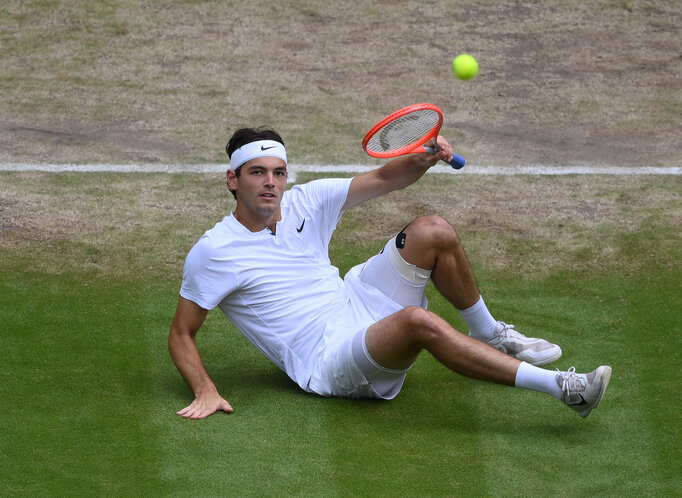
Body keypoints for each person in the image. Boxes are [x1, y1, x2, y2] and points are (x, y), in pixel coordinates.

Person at [168, 126, 612, 420]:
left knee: (432, 231)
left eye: (278, 173)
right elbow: (182, 333)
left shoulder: (307, 200)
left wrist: (422, 159)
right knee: (417, 322)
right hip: (329, 359)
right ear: (232, 179)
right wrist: (205, 389)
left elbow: (384, 179)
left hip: (355, 301)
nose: (270, 183)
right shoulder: (215, 251)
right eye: (257, 173)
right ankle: (564, 388)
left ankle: (489, 333)